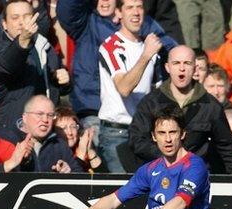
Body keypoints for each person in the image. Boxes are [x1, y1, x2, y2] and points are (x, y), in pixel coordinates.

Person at [30, 105, 210, 209]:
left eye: (173, 132)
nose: (168, 139)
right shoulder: (151, 169)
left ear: (183, 134)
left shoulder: (194, 165)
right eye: (162, 133)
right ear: (154, 136)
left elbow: (180, 202)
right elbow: (115, 199)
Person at [57, 0, 177, 146]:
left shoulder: (141, 21)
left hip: (138, 117)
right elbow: (67, 8)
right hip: (93, 110)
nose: (105, 1)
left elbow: (169, 48)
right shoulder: (86, 21)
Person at [128, 45, 232, 175]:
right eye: (176, 63)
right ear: (167, 67)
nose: (182, 68)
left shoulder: (210, 105)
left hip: (196, 177)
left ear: (195, 69)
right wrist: (169, 156)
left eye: (187, 63)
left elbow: (228, 147)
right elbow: (137, 140)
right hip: (159, 176)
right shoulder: (151, 102)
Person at [97, 0, 162, 173]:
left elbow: (156, 93)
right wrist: (146, 56)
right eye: (129, 7)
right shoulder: (111, 46)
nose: (136, 12)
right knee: (124, 192)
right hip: (116, 133)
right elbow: (124, 88)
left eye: (139, 7)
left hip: (144, 132)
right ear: (118, 13)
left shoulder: (152, 49)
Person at [0, 0, 70, 138]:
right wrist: (23, 40)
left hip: (46, 129)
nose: (22, 22)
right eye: (15, 18)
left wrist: (64, 81)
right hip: (14, 132)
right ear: (4, 24)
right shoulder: (0, 51)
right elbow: (8, 66)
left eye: (27, 16)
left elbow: (57, 88)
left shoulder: (44, 47)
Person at [0, 95, 83, 173]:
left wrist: (68, 171)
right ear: (25, 117)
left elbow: (79, 177)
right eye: (39, 114)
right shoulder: (6, 140)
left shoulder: (58, 144)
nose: (45, 120)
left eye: (50, 115)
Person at [54, 106, 105, 172]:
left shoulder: (80, 146)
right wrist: (81, 154)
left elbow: (104, 178)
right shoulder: (54, 152)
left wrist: (90, 151)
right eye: (64, 128)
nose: (70, 133)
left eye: (73, 127)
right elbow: (74, 178)